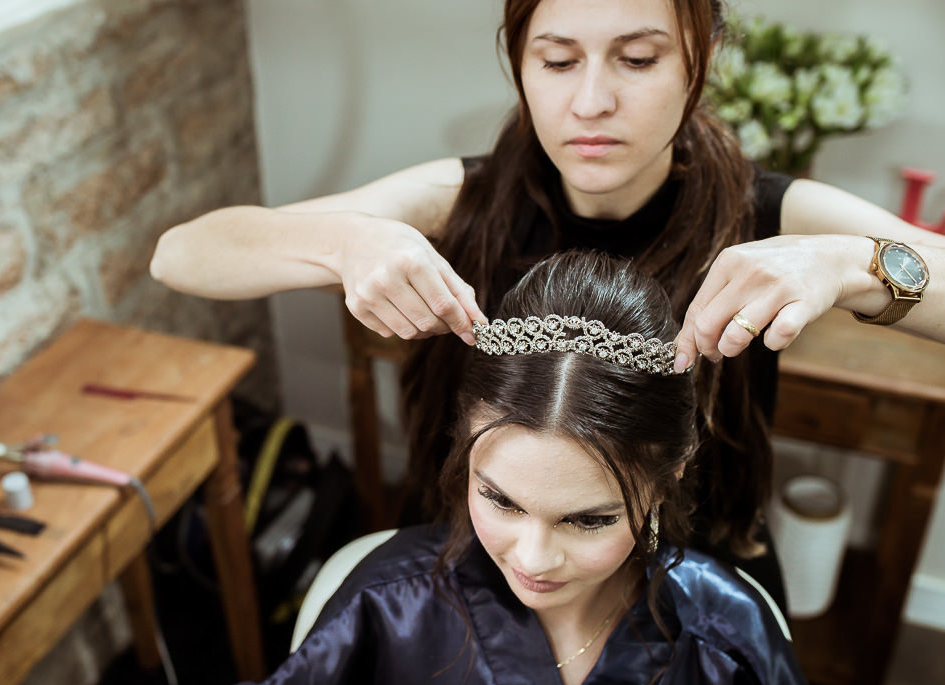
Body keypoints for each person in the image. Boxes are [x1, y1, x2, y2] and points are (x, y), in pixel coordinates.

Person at [151, 0, 945, 607]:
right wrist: (343, 243)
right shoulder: (456, 200)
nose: (591, 101)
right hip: (492, 553)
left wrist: (849, 262)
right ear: (519, 64)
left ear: (698, 61)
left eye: (637, 59)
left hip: (690, 569)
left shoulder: (770, 212)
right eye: (557, 60)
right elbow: (183, 253)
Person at [204, 251, 868, 685]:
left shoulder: (726, 631)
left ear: (669, 475)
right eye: (500, 500)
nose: (533, 557)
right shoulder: (384, 606)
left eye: (587, 520)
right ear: (463, 446)